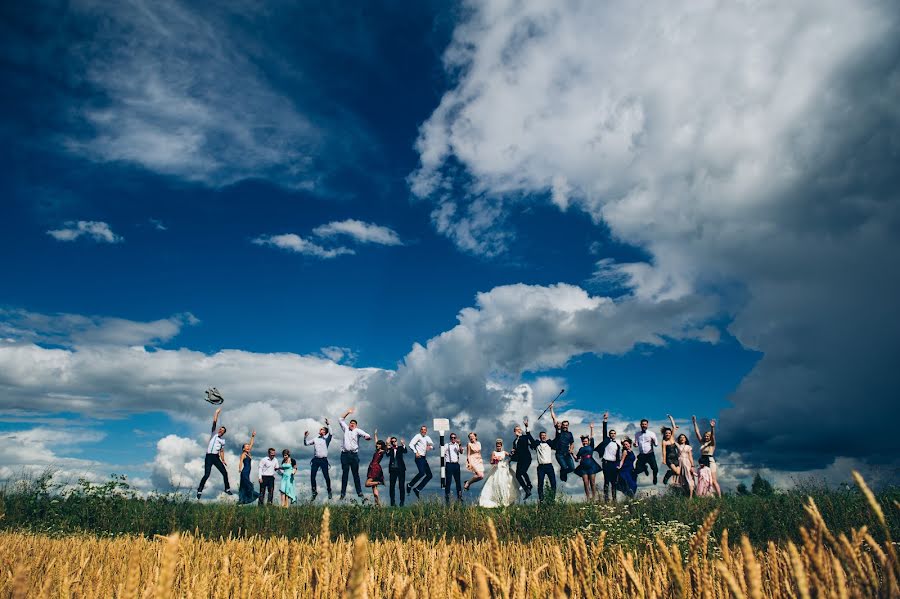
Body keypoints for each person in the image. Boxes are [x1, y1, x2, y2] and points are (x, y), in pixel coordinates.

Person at [197, 407, 232, 499]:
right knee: (207, 474)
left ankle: (227, 489)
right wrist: (216, 413)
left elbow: (222, 451)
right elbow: (214, 422)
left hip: (216, 457)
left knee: (225, 472)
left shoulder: (222, 441)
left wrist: (223, 460)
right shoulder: (213, 434)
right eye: (220, 429)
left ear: (224, 433)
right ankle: (200, 489)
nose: (221, 431)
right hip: (209, 457)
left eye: (223, 430)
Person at [338, 408, 371, 500]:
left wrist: (367, 437)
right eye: (350, 423)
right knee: (345, 474)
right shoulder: (346, 429)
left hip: (354, 456)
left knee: (355, 474)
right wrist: (348, 412)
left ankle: (359, 492)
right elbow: (340, 419)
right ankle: (342, 494)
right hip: (345, 455)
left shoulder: (357, 431)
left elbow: (366, 435)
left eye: (353, 424)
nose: (351, 424)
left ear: (356, 426)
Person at [479, 439, 520, 508]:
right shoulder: (494, 452)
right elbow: (491, 462)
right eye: (497, 446)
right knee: (496, 484)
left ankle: (506, 500)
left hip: (503, 469)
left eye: (499, 446)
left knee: (505, 484)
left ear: (501, 446)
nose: (498, 447)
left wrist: (512, 453)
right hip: (497, 469)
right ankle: (497, 501)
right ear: (496, 446)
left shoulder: (504, 452)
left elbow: (511, 456)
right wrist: (495, 459)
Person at [692, 416, 722, 498]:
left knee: (713, 480)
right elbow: (697, 432)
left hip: (710, 460)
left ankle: (719, 497)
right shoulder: (702, 443)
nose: (706, 437)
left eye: (707, 436)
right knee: (703, 479)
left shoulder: (712, 444)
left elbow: (713, 436)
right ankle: (705, 495)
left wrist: (712, 428)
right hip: (702, 461)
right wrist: (694, 423)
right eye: (705, 436)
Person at [595, 412, 621, 502]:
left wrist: (618, 465)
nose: (613, 434)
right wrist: (605, 420)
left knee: (614, 482)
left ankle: (614, 499)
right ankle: (606, 499)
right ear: (609, 435)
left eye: (614, 433)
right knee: (606, 481)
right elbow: (604, 430)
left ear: (615, 435)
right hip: (606, 463)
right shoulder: (606, 440)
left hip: (614, 464)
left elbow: (618, 457)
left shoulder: (617, 445)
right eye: (611, 433)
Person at [304, 420, 333, 500]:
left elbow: (331, 433)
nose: (320, 430)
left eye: (322, 429)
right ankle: (314, 492)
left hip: (323, 460)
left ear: (324, 432)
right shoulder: (315, 439)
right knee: (312, 476)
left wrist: (328, 424)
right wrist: (305, 437)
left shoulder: (327, 439)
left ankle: (329, 490)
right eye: (320, 429)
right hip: (316, 460)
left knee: (326, 476)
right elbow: (306, 443)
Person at [574, 424, 601, 501]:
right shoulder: (581, 449)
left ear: (588, 441)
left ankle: (594, 497)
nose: (584, 442)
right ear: (582, 442)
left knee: (592, 483)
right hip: (583, 467)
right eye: (583, 441)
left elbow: (592, 437)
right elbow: (577, 458)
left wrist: (592, 428)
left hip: (591, 466)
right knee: (586, 483)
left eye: (586, 441)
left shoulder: (591, 446)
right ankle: (588, 498)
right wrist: (572, 453)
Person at [406, 425, 434, 498]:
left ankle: (417, 489)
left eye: (425, 430)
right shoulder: (418, 436)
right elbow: (411, 444)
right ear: (420, 430)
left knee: (429, 475)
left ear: (426, 431)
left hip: (424, 458)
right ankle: (409, 485)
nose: (423, 431)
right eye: (422, 429)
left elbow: (432, 445)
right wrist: (416, 452)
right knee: (422, 473)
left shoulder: (427, 437)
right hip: (418, 457)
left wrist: (430, 447)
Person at [509, 419, 534, 499]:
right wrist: (513, 452)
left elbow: (529, 436)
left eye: (520, 429)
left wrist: (527, 427)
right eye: (517, 430)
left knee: (523, 472)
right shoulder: (514, 441)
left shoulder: (524, 437)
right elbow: (516, 452)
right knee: (518, 475)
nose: (519, 431)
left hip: (526, 458)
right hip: (520, 459)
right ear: (514, 432)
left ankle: (529, 485)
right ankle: (526, 490)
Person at [549, 406, 575, 481]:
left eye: (567, 425)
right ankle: (563, 471)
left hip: (567, 453)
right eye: (564, 425)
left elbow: (572, 443)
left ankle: (563, 472)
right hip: (559, 453)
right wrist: (551, 409)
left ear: (568, 426)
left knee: (572, 468)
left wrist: (571, 449)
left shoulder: (570, 434)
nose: (565, 426)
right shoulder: (559, 431)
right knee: (564, 467)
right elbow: (554, 419)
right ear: (562, 425)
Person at [530, 430, 557, 501]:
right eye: (542, 435)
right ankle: (541, 499)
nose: (543, 437)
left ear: (546, 436)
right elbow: (531, 439)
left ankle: (552, 499)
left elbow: (557, 439)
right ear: (540, 437)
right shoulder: (537, 444)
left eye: (544, 435)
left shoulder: (549, 443)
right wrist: (527, 428)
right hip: (541, 466)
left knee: (553, 483)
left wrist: (557, 429)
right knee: (540, 484)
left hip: (549, 465)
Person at [634, 418, 659, 485]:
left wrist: (654, 442)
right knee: (637, 470)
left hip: (650, 454)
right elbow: (636, 444)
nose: (644, 425)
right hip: (642, 455)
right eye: (642, 424)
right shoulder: (637, 434)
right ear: (640, 425)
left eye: (645, 424)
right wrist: (635, 445)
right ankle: (644, 468)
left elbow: (656, 444)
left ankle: (655, 477)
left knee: (655, 469)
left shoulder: (651, 433)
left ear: (647, 425)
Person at [364, 431, 386, 506]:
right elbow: (376, 442)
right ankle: (378, 504)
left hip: (374, 468)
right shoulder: (377, 450)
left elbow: (385, 450)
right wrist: (375, 434)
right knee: (374, 488)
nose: (377, 445)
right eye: (377, 444)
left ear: (381, 446)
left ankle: (379, 482)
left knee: (367, 484)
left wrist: (387, 444)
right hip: (373, 467)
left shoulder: (381, 451)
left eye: (379, 444)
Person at [237, 431, 259, 505]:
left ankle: (242, 501)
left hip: (247, 472)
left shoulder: (248, 453)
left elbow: (251, 444)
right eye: (246, 446)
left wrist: (252, 436)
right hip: (244, 472)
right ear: (243, 449)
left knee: (243, 487)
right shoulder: (243, 454)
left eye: (248, 446)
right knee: (249, 485)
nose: (248, 447)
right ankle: (255, 494)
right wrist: (240, 469)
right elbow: (240, 462)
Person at [387, 436, 407, 506]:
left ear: (397, 441)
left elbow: (405, 451)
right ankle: (392, 503)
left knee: (401, 486)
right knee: (392, 486)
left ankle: (402, 502)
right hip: (392, 470)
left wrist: (403, 444)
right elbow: (387, 454)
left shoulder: (400, 448)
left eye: (395, 441)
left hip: (401, 470)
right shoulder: (390, 449)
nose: (393, 442)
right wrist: (387, 445)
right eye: (392, 441)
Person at [444, 433, 463, 504]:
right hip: (449, 464)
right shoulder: (447, 445)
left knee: (458, 482)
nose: (453, 439)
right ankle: (447, 498)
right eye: (452, 438)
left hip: (456, 465)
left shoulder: (457, 445)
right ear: (450, 438)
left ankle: (460, 497)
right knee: (448, 482)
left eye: (454, 437)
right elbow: (442, 453)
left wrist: (460, 444)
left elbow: (461, 452)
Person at [661, 415, 680, 485]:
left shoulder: (672, 438)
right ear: (664, 434)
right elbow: (664, 451)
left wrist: (671, 418)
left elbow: (674, 427)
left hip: (676, 457)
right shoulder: (664, 441)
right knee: (676, 471)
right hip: (669, 459)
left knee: (678, 472)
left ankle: (675, 482)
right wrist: (664, 460)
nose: (668, 434)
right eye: (666, 433)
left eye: (669, 433)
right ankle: (668, 474)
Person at [675, 433, 695, 498]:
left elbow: (690, 457)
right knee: (682, 479)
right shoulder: (677, 445)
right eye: (681, 437)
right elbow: (672, 438)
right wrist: (674, 427)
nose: (682, 438)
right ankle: (685, 494)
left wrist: (692, 466)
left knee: (689, 478)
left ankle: (691, 496)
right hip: (680, 462)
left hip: (687, 462)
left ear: (686, 439)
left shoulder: (688, 447)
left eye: (683, 437)